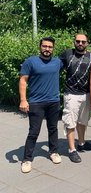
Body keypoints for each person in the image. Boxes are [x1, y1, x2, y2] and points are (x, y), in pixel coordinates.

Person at [19, 37, 63, 173]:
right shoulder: (31, 61)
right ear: (40, 47)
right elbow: (23, 80)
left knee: (53, 128)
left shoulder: (57, 62)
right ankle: (26, 159)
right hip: (36, 102)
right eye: (44, 46)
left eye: (50, 47)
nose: (47, 49)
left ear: (53, 48)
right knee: (33, 132)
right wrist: (23, 100)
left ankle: (53, 152)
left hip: (53, 102)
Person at [60, 33, 91, 163]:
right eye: (78, 41)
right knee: (70, 122)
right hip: (71, 94)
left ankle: (81, 143)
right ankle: (72, 149)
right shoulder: (67, 54)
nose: (80, 44)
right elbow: (55, 68)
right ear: (74, 42)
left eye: (83, 42)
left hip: (86, 94)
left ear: (87, 43)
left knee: (82, 121)